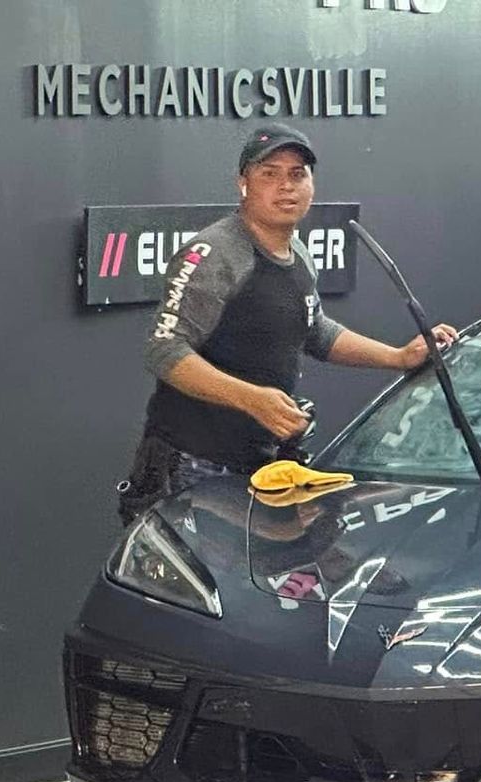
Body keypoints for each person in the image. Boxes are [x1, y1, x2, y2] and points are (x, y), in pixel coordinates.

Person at [119, 123, 458, 524]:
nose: (286, 186)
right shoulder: (215, 254)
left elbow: (314, 330)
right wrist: (251, 399)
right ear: (243, 183)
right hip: (192, 468)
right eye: (270, 173)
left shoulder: (297, 252)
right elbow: (164, 350)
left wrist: (399, 356)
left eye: (297, 174)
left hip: (263, 469)